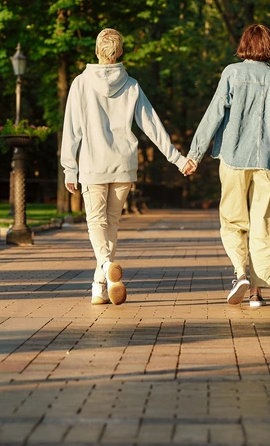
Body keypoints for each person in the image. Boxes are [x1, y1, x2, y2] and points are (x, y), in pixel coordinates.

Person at [61, 28, 193, 306]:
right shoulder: (131, 85)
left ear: (97, 51)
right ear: (120, 53)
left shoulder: (80, 84)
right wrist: (178, 159)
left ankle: (106, 266)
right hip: (123, 165)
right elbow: (153, 126)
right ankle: (99, 285)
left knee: (96, 222)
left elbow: (71, 130)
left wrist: (69, 168)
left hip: (92, 164)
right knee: (112, 223)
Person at [186, 24, 270, 308]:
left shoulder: (232, 73)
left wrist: (195, 153)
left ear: (245, 45)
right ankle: (256, 293)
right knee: (265, 224)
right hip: (269, 162)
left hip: (234, 157)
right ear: (269, 46)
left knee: (233, 220)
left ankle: (240, 272)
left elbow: (214, 113)